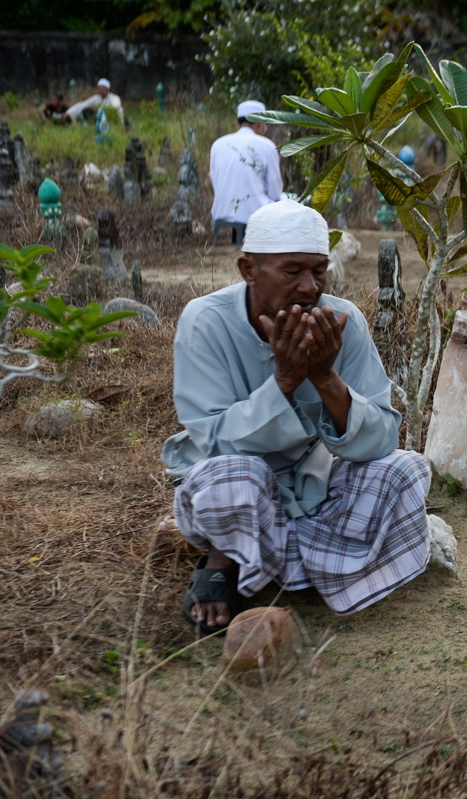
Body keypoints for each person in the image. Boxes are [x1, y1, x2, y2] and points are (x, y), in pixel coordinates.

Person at [164, 199, 431, 633]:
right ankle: (226, 557)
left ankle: (266, 558)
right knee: (234, 479)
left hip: (312, 476)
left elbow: (383, 439)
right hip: (234, 477)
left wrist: (326, 378)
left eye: (319, 270)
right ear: (248, 269)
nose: (310, 287)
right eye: (292, 271)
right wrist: (283, 382)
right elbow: (210, 441)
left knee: (405, 471)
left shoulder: (346, 322)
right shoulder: (205, 321)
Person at [210, 100, 284, 233]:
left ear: (238, 124)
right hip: (255, 214)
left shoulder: (217, 144)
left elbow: (216, 182)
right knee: (290, 200)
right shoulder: (267, 146)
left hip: (221, 211)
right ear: (260, 124)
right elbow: (275, 191)